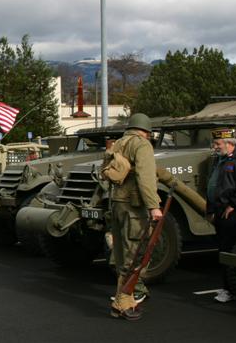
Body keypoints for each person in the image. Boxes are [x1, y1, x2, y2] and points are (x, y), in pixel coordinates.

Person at [107, 113, 162, 321]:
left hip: (117, 204)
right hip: (134, 207)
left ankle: (125, 302)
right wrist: (153, 206)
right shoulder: (142, 145)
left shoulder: (119, 143)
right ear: (146, 131)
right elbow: (145, 176)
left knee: (122, 256)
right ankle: (122, 303)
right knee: (135, 256)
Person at [206, 128, 236, 303]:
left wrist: (233, 205)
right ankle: (227, 287)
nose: (215, 147)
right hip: (219, 211)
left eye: (218, 144)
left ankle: (230, 290)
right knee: (222, 249)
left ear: (230, 143)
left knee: (230, 251)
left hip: (232, 213)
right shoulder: (220, 160)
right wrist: (210, 209)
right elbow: (213, 185)